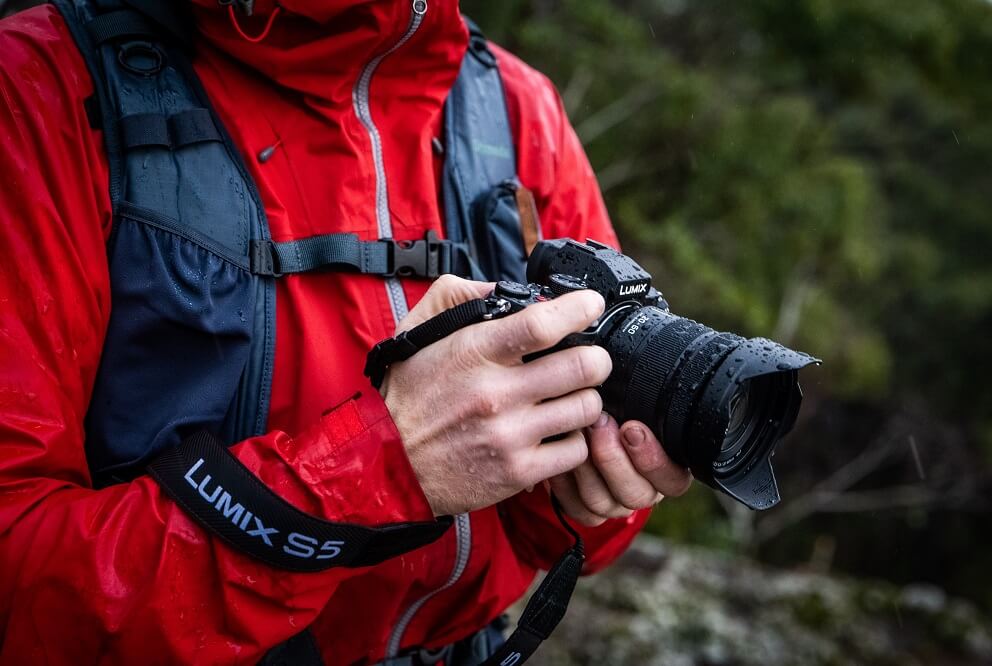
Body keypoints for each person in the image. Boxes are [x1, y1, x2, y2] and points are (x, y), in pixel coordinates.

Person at [0, 1, 692, 663]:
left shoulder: (513, 106)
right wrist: (375, 469)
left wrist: (579, 490)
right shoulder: (38, 84)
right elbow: (18, 595)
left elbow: (571, 531)